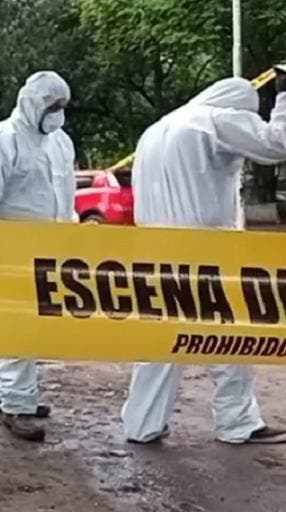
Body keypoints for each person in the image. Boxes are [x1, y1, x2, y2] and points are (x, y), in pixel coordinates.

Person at [122, 73, 286, 445]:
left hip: (155, 251)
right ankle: (237, 422)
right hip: (206, 252)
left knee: (160, 341)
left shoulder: (155, 130)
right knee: (232, 334)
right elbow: (278, 143)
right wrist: (284, 99)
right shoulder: (216, 120)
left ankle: (142, 425)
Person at [0, 71, 77, 442]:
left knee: (33, 326)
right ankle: (18, 405)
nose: (58, 114)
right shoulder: (1, 138)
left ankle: (5, 392)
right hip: (9, 251)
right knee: (19, 326)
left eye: (63, 106)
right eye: (53, 106)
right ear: (33, 103)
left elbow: (65, 193)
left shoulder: (60, 143)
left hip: (49, 251)